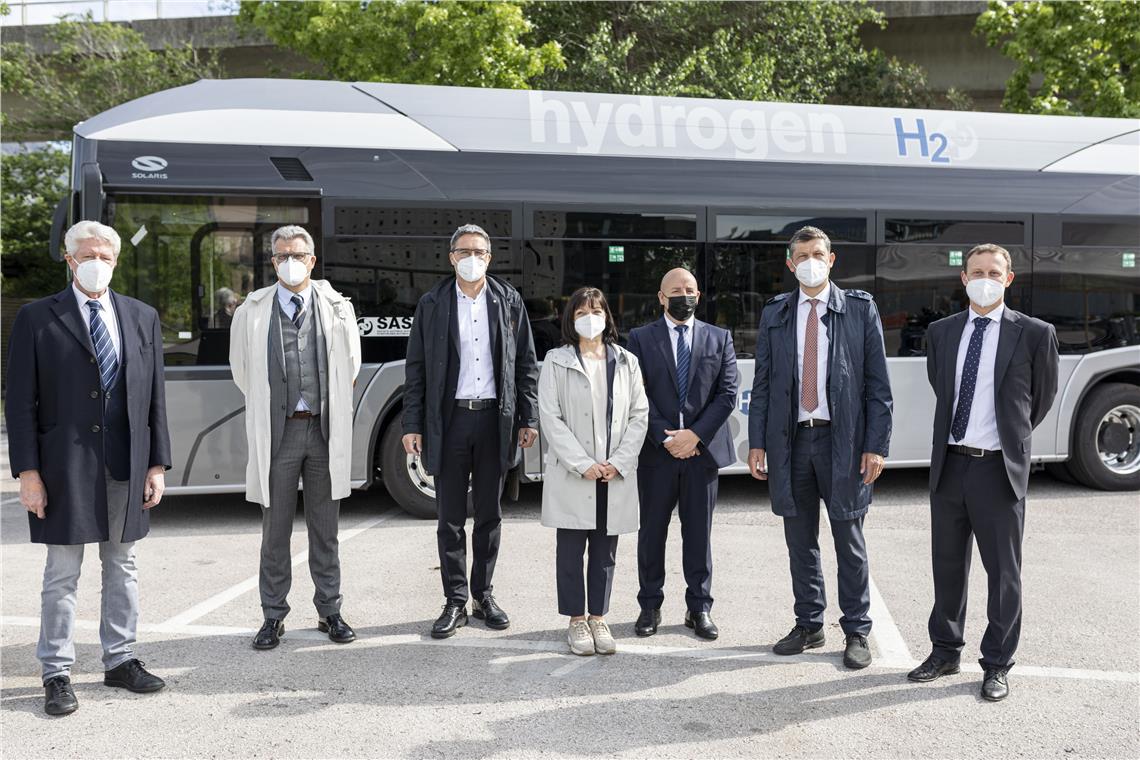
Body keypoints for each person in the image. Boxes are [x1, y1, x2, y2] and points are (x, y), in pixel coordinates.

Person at [6, 220, 172, 716]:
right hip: (63, 466)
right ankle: (56, 672)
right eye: (87, 256)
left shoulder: (141, 316)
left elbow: (155, 398)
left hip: (126, 461)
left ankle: (120, 659)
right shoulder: (37, 317)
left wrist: (156, 463)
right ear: (69, 260)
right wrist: (28, 473)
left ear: (116, 262)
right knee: (62, 572)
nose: (96, 263)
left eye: (105, 256)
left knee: (123, 565)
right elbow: (20, 401)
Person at [908, 243, 1059, 701]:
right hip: (951, 464)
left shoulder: (1035, 333)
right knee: (947, 566)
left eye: (994, 272)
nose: (985, 279)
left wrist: (1008, 439)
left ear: (1009, 279)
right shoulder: (941, 332)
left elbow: (1040, 399)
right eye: (977, 272)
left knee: (1003, 574)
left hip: (999, 469)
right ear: (964, 278)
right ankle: (944, 650)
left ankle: (996, 663)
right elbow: (942, 386)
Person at [748, 225, 893, 670]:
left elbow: (878, 386)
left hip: (842, 441)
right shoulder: (776, 312)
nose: (810, 262)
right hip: (791, 442)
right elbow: (763, 382)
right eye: (802, 256)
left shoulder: (859, 309)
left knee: (849, 539)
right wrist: (757, 442)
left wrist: (875, 445)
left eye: (818, 254)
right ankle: (809, 624)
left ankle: (857, 630)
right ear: (790, 264)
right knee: (800, 540)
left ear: (831, 260)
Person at [402, 224, 540, 639]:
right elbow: (416, 369)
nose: (472, 258)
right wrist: (412, 424)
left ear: (490, 258)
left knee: (489, 514)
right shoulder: (433, 303)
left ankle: (484, 595)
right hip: (451, 421)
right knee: (449, 518)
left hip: (495, 419)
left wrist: (528, 417)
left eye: (479, 251)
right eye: (464, 251)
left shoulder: (508, 300)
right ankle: (455, 600)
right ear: (451, 257)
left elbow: (525, 363)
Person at [229, 225, 362, 650]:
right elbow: (242, 371)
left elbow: (350, 365)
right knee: (275, 530)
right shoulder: (252, 310)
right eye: (283, 255)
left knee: (326, 529)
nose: (291, 262)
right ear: (273, 262)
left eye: (298, 255)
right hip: (279, 431)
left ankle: (330, 611)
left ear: (312, 260)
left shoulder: (337, 306)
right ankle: (273, 616)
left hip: (322, 430)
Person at [626, 268, 739, 640]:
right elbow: (635, 393)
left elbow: (727, 394)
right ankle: (649, 605)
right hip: (657, 454)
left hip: (701, 455)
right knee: (651, 533)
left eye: (690, 289)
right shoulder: (640, 339)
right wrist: (667, 437)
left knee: (699, 535)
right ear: (661, 297)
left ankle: (699, 607)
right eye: (675, 290)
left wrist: (695, 436)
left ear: (699, 295)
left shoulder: (719, 337)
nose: (683, 296)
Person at [538, 287, 649, 655]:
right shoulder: (556, 361)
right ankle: (576, 620)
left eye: (596, 311)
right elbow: (550, 417)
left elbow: (639, 415)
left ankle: (598, 617)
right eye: (582, 312)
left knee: (605, 552)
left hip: (612, 473)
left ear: (607, 317)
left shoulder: (627, 362)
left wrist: (618, 462)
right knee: (570, 551)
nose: (590, 318)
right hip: (576, 473)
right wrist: (582, 464)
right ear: (570, 319)